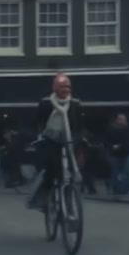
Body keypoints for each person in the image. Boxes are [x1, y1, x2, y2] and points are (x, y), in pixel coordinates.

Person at [27, 73, 86, 210]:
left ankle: (71, 197)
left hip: (70, 140)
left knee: (75, 167)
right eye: (62, 87)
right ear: (55, 88)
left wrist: (81, 138)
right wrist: (37, 137)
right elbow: (37, 122)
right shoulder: (46, 103)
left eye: (67, 87)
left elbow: (80, 125)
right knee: (51, 170)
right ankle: (45, 197)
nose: (65, 90)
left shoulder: (75, 103)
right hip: (51, 140)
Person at [107, 113, 129, 196]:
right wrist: (112, 147)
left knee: (127, 173)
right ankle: (117, 189)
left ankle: (124, 190)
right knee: (115, 173)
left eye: (123, 119)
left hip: (126, 153)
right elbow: (108, 141)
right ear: (117, 120)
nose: (121, 121)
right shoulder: (112, 129)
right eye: (120, 119)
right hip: (115, 154)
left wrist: (119, 146)